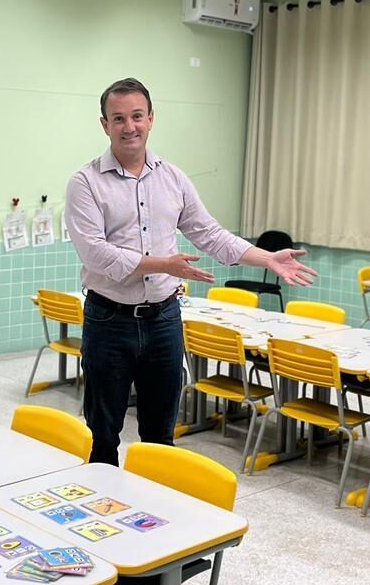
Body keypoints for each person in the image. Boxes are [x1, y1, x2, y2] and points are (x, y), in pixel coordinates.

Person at [64, 77, 316, 465]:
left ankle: (155, 517)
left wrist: (265, 258)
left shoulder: (174, 179)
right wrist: (163, 264)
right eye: (118, 119)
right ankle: (109, 513)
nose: (129, 127)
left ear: (151, 118)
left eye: (136, 116)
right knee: (103, 434)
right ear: (105, 125)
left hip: (164, 319)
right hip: (108, 320)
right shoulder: (85, 183)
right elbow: (97, 256)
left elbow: (210, 235)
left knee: (161, 435)